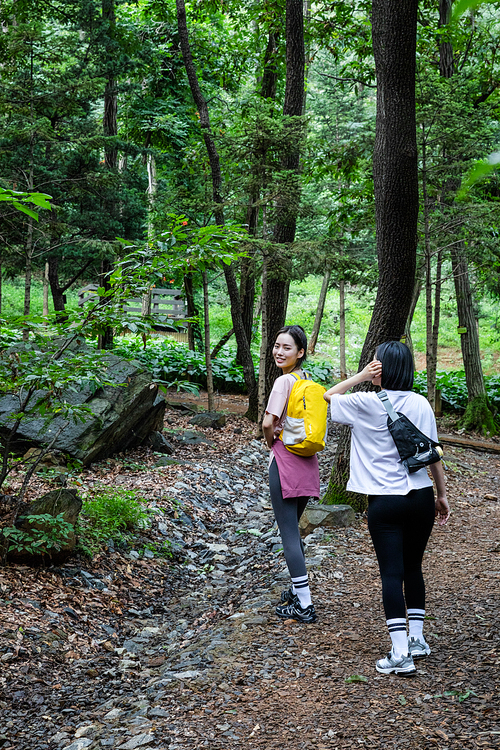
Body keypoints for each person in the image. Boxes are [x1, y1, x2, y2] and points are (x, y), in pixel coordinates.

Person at [324, 341, 450, 675]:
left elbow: (327, 396)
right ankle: (417, 640)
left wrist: (360, 376)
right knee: (413, 568)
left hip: (385, 501)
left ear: (382, 368)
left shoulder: (364, 402)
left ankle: (399, 653)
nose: (372, 366)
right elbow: (431, 452)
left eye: (375, 363)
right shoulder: (421, 403)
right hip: (421, 496)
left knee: (391, 574)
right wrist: (442, 494)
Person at [262, 325, 320, 624]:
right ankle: (299, 593)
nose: (278, 351)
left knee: (288, 533)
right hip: (308, 461)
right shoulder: (307, 379)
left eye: (286, 348)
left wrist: (271, 441)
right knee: (293, 531)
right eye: (276, 345)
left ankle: (305, 604)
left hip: (285, 460)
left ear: (300, 353)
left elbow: (267, 422)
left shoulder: (284, 382)